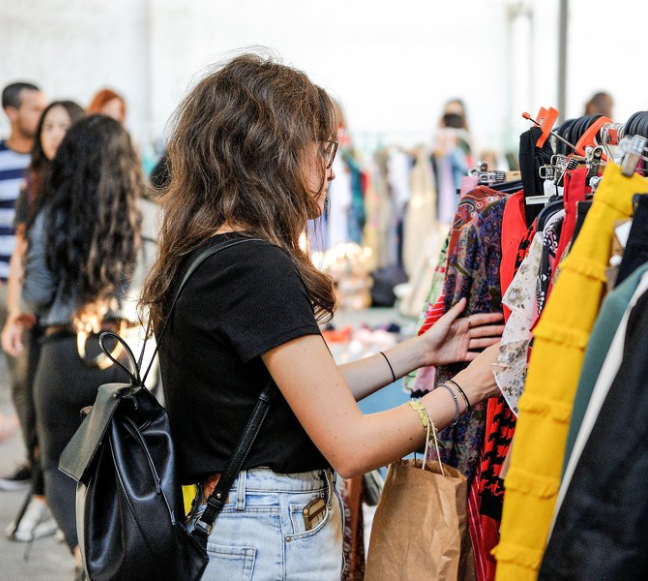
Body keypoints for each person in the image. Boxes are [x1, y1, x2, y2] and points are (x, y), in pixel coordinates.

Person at [138, 53, 502, 581]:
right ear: (271, 153)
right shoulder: (253, 265)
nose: (330, 168)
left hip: (246, 527)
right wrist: (470, 387)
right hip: (268, 536)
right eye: (319, 148)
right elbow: (352, 447)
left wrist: (421, 352)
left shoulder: (210, 251)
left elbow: (309, 393)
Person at [14, 114, 142, 578]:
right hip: (116, 350)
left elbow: (36, 293)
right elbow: (141, 292)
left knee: (57, 465)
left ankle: (83, 558)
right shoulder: (136, 216)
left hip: (60, 353)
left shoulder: (49, 213)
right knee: (121, 463)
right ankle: (117, 556)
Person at [0, 100, 86, 543]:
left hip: (78, 325)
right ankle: (47, 501)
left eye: (63, 125)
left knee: (66, 424)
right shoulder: (35, 185)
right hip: (39, 318)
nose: (54, 134)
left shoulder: (90, 184)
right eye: (47, 126)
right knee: (34, 411)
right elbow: (22, 257)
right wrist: (17, 313)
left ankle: (55, 508)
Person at [0, 81, 46, 493]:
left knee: (52, 371)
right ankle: (35, 461)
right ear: (12, 113)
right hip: (5, 281)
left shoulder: (49, 159)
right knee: (22, 375)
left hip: (48, 281)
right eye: (33, 109)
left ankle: (55, 461)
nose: (40, 116)